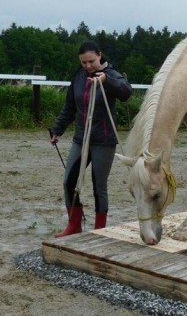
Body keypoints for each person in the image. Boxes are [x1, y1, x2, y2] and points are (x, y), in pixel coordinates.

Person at [50, 41, 132, 238]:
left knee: (99, 186)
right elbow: (69, 108)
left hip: (104, 141)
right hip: (81, 139)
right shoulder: (78, 77)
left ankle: (100, 230)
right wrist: (57, 129)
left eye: (91, 61)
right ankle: (74, 225)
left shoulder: (111, 74)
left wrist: (107, 81)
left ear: (100, 55)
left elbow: (126, 92)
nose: (87, 66)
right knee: (68, 182)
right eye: (84, 62)